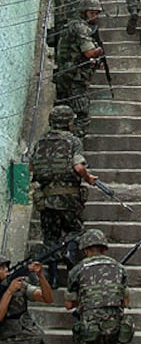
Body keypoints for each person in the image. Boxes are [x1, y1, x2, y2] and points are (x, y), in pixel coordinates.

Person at [29, 105, 97, 288]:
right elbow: (78, 167)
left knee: (50, 238)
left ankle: (52, 279)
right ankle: (69, 253)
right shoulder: (73, 141)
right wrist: (89, 178)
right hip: (69, 199)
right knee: (75, 231)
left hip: (46, 199)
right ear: (69, 123)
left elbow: (31, 168)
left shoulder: (40, 142)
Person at [65, 229, 131, 344]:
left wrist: (86, 299)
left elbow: (69, 304)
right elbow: (125, 301)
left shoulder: (77, 270)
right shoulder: (119, 268)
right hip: (113, 326)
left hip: (90, 328)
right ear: (104, 248)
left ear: (86, 249)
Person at [55, 0, 104, 138]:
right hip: (74, 79)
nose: (94, 17)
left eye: (96, 13)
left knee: (61, 115)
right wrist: (99, 51)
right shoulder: (81, 27)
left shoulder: (70, 25)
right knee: (82, 115)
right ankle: (73, 147)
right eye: (91, 13)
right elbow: (89, 52)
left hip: (64, 75)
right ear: (84, 12)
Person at [0, 255, 54, 344]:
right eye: (1, 267)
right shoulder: (10, 288)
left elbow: (48, 298)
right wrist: (9, 292)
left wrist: (40, 276)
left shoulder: (20, 285)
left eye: (6, 267)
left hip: (30, 343)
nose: (5, 270)